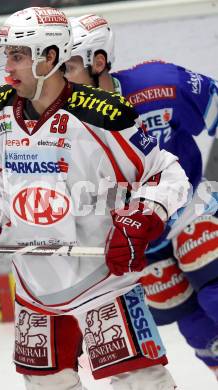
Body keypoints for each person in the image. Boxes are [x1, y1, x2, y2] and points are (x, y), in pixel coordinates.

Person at [0, 7, 190, 389]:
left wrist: (141, 218)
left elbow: (167, 174)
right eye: (6, 54)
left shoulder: (102, 116)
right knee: (46, 385)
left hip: (105, 279)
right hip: (35, 283)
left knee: (142, 382)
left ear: (50, 56)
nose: (8, 66)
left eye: (18, 55)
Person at [65, 13, 218, 380]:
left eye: (67, 66)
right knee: (193, 325)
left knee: (214, 291)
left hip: (188, 207)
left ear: (98, 62)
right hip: (133, 236)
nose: (56, 78)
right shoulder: (53, 122)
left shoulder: (161, 85)